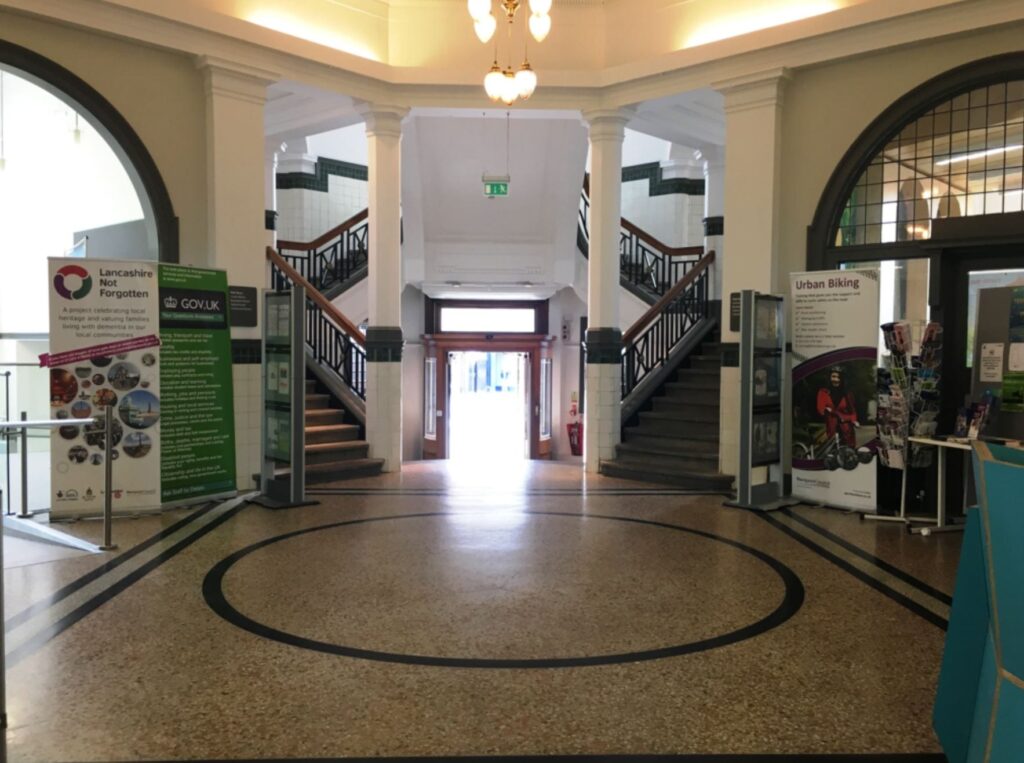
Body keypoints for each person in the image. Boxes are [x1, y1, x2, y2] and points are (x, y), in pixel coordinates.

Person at [816, 366, 858, 447]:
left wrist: (854, 420)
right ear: (829, 377)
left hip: (846, 429)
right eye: (833, 376)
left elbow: (852, 411)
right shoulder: (823, 392)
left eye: (839, 377)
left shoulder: (847, 394)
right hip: (832, 428)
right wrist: (825, 410)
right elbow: (820, 408)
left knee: (848, 453)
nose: (836, 380)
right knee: (832, 451)